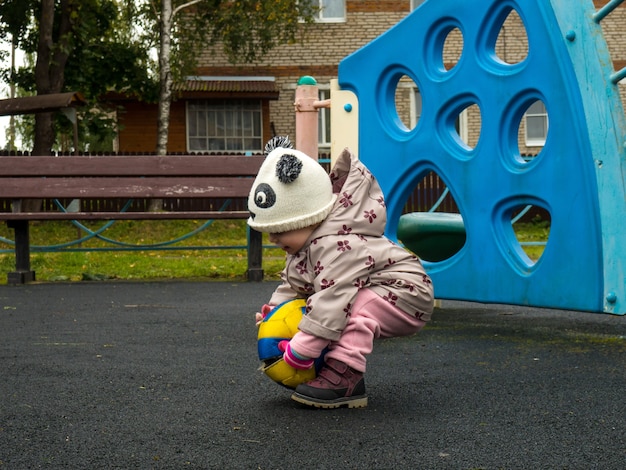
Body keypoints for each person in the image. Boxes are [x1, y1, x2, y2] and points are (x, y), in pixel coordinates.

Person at [248, 136, 434, 409]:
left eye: (279, 230)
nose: (273, 239)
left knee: (351, 309)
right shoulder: (307, 244)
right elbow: (295, 284)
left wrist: (302, 350)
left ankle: (347, 376)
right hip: (378, 289)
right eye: (269, 233)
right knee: (340, 306)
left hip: (406, 291)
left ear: (308, 217)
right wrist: (275, 311)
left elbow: (332, 299)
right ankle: (338, 370)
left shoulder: (337, 244)